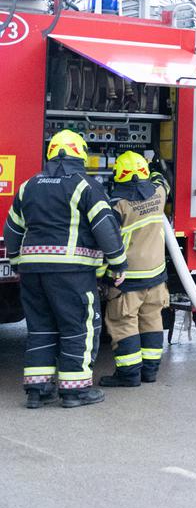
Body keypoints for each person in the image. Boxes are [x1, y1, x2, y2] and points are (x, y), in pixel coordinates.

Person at [3, 130, 127, 408]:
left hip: (32, 273)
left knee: (40, 328)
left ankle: (37, 390)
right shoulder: (85, 186)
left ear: (51, 154)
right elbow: (105, 227)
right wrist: (118, 262)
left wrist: (16, 260)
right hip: (71, 273)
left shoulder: (28, 186)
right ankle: (76, 391)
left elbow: (11, 229)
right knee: (78, 327)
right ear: (80, 154)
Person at [98, 152, 170, 388]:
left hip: (126, 279)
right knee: (152, 319)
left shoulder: (116, 206)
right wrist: (154, 166)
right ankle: (150, 372)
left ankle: (128, 375)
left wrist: (100, 275)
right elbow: (162, 179)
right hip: (156, 276)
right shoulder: (159, 193)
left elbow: (107, 242)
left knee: (123, 323)